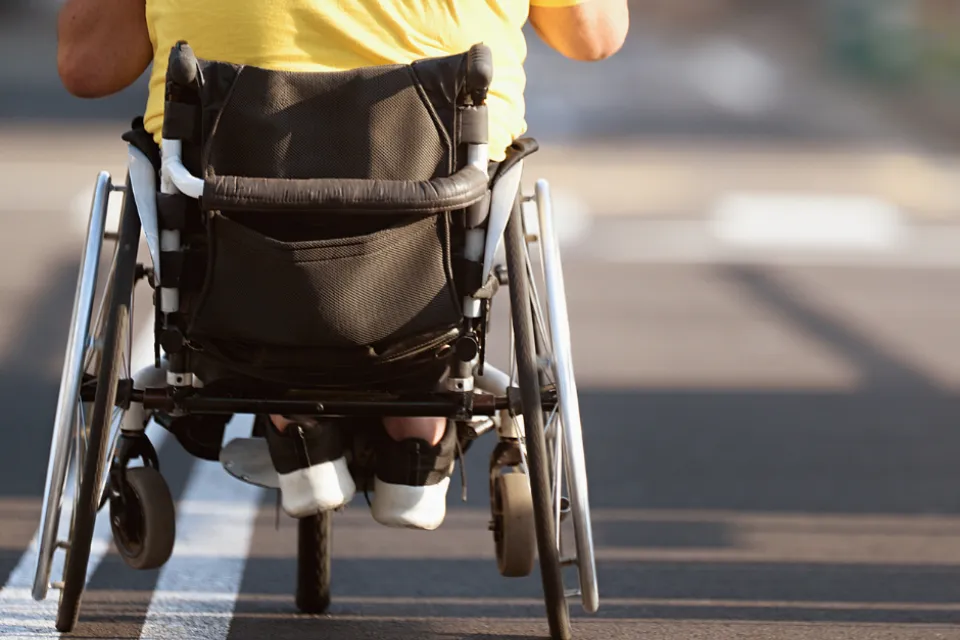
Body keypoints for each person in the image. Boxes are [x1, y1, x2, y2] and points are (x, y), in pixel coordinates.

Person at [56, 0, 628, 531]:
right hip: (435, 231)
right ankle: (416, 432)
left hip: (233, 250)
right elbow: (595, 36)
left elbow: (87, 69)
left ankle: (294, 419)